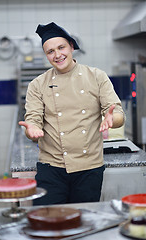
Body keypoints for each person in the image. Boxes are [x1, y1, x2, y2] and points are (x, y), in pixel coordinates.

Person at [19, 22, 125, 205]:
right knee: (48, 222)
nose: (57, 55)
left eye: (61, 47)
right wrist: (32, 130)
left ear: (72, 47)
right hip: (51, 168)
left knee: (84, 223)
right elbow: (33, 120)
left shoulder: (97, 76)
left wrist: (112, 119)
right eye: (50, 51)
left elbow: (118, 115)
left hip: (89, 168)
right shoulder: (37, 84)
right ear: (46, 55)